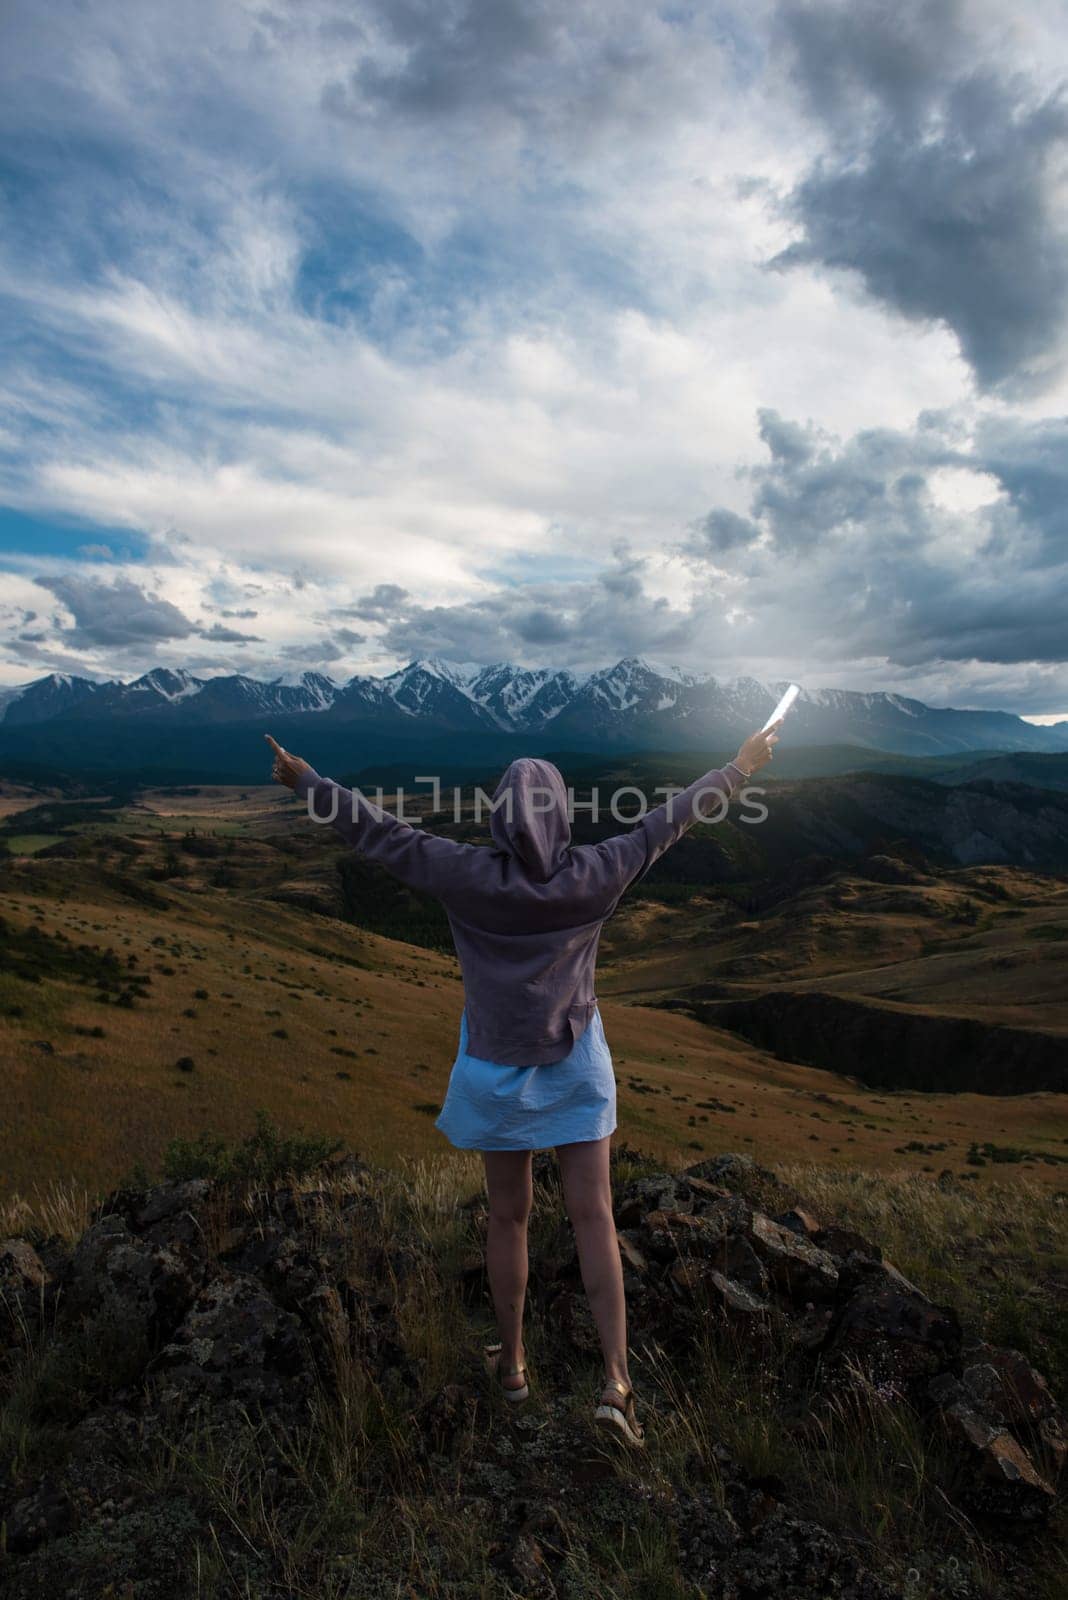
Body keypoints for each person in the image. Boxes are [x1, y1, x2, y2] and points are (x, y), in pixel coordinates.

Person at [265, 717, 782, 1446]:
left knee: (508, 1218)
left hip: (494, 1070)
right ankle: (615, 1382)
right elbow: (670, 821)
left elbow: (377, 833)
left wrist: (308, 783)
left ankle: (511, 1365)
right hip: (575, 1064)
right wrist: (740, 767)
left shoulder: (465, 876)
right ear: (563, 814)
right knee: (592, 1217)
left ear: (499, 817)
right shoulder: (596, 874)